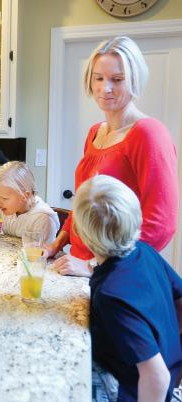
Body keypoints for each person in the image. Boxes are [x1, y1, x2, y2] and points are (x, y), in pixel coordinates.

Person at [44, 36, 179, 277]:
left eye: (117, 79)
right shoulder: (95, 132)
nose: (105, 88)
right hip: (75, 266)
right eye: (98, 78)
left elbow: (161, 225)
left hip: (116, 276)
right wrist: (57, 243)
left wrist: (94, 266)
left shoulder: (149, 133)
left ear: (135, 80)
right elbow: (83, 205)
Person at [72, 175, 182, 402]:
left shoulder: (110, 296)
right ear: (136, 217)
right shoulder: (144, 251)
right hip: (169, 374)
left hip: (130, 389)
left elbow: (157, 376)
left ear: (81, 234)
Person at [0, 161, 59, 243]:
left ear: (25, 196)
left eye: (4, 198)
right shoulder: (0, 205)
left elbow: (42, 253)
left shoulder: (42, 219)